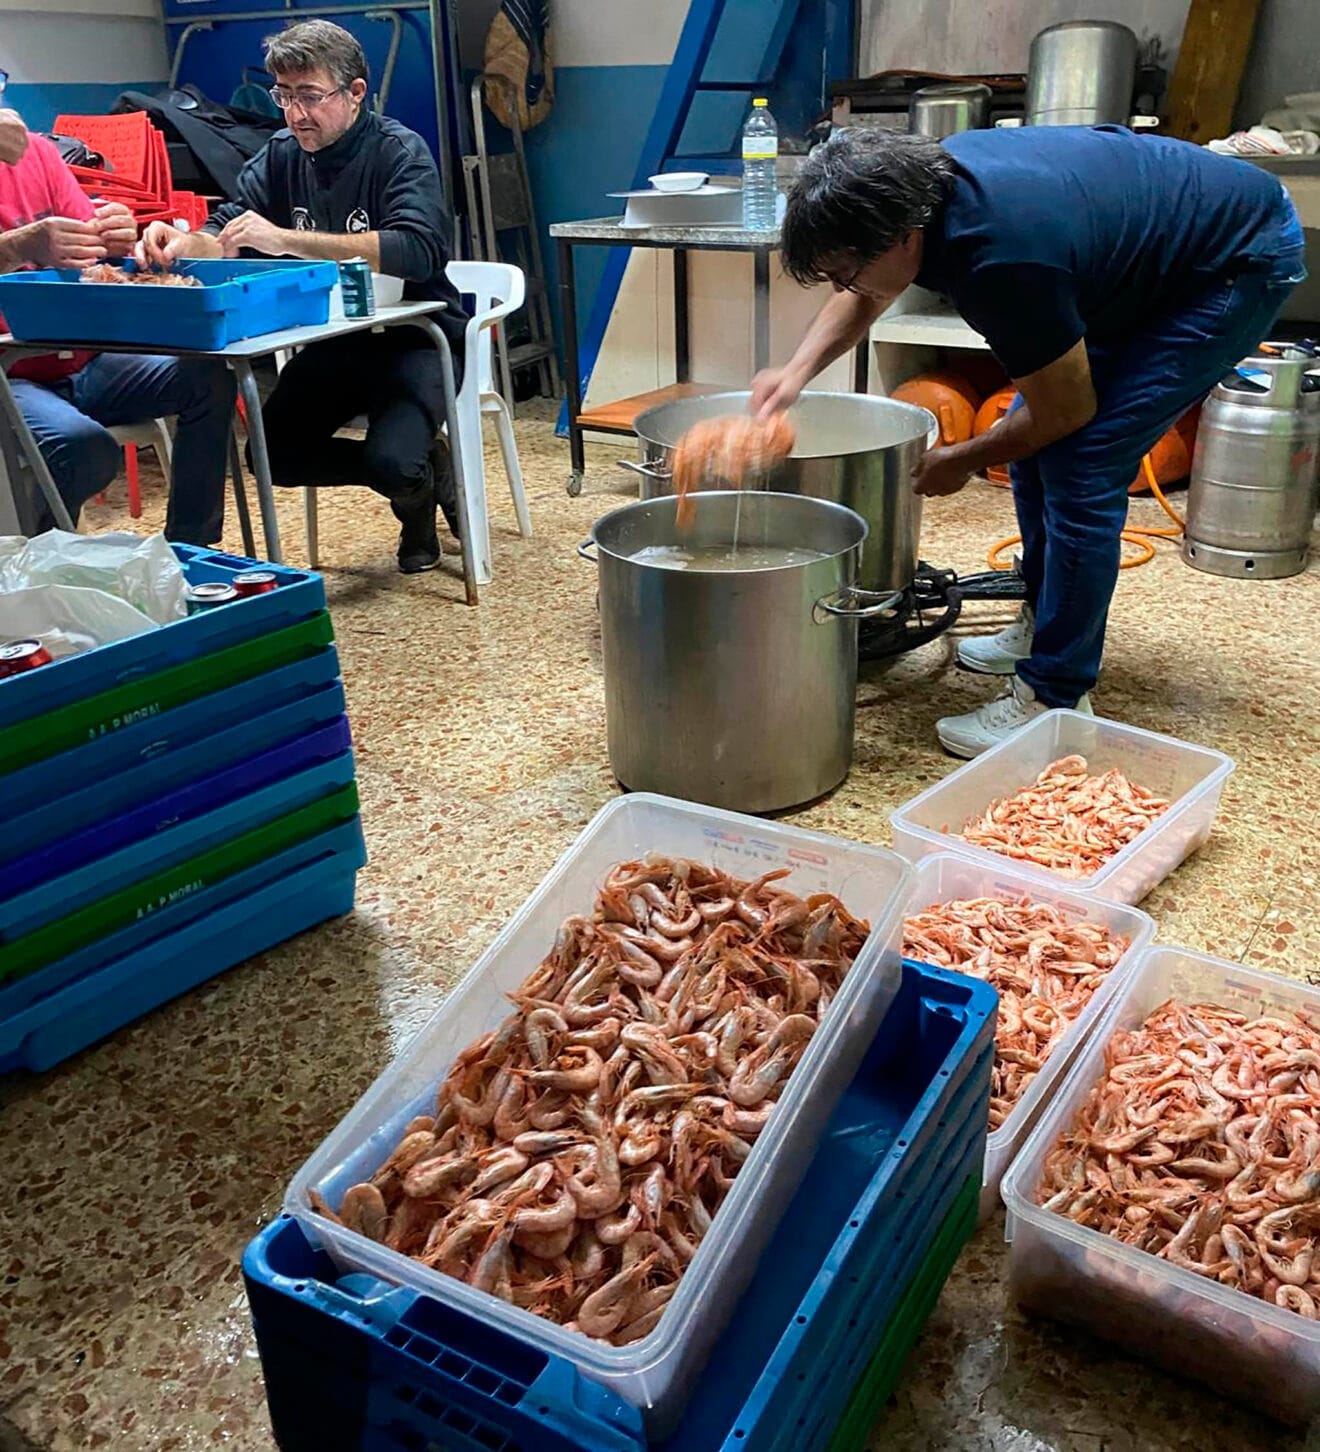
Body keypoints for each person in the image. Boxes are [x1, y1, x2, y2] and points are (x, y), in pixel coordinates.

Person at [759, 126, 1306, 757]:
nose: (841, 288)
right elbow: (865, 290)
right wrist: (793, 374)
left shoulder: (1000, 258)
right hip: (1141, 256)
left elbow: (1065, 411)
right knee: (1026, 446)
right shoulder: (915, 194)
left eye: (844, 272)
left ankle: (1055, 698)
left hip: (1232, 262)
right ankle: (1045, 621)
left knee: (1081, 461)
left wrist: (960, 460)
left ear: (904, 237)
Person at [138, 19, 469, 575]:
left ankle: (413, 500)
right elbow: (229, 230)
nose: (295, 114)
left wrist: (288, 240)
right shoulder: (280, 153)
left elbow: (419, 250)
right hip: (334, 338)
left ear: (355, 93)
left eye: (310, 96)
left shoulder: (398, 151)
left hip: (415, 339)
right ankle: (423, 474)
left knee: (393, 461)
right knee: (274, 456)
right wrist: (185, 241)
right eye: (284, 96)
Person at [0, 110, 235, 543]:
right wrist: (18, 245)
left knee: (207, 377)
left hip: (84, 356)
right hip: (9, 373)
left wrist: (116, 235)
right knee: (83, 449)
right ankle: (37, 572)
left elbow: (95, 251)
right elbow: (31, 244)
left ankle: (187, 549)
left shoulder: (38, 154)